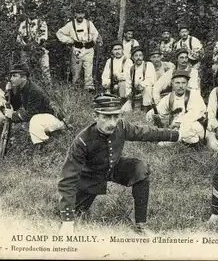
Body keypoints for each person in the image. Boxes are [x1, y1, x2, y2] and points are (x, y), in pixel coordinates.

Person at [57, 94, 198, 235]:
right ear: (95, 116)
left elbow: (146, 133)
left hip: (114, 168)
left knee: (140, 169)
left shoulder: (122, 126)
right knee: (76, 214)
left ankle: (140, 223)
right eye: (106, 117)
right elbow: (68, 179)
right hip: (90, 178)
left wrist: (176, 135)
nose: (112, 123)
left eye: (115, 116)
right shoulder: (82, 141)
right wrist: (67, 221)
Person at [4, 63, 65, 148]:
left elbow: (30, 114)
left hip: (53, 119)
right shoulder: (21, 87)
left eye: (14, 76)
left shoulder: (34, 91)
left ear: (24, 77)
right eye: (11, 76)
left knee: (34, 120)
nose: (11, 79)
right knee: (34, 120)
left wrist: (12, 115)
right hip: (42, 118)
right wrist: (9, 93)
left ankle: (42, 145)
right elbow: (16, 106)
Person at [146, 70, 206, 147]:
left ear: (187, 84)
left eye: (183, 83)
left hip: (196, 126)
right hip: (177, 129)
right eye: (177, 83)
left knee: (187, 126)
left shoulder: (194, 95)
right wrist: (152, 116)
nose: (180, 86)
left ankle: (190, 144)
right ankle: (179, 141)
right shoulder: (169, 98)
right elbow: (159, 111)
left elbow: (193, 115)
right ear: (172, 84)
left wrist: (175, 122)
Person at [56, 5, 99, 92]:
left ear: (84, 14)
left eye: (82, 13)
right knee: (76, 71)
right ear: (75, 14)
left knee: (89, 70)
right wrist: (69, 40)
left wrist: (92, 41)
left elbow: (95, 33)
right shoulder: (71, 24)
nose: (80, 16)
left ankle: (89, 89)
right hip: (77, 49)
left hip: (88, 49)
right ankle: (75, 89)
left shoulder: (89, 23)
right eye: (78, 13)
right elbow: (59, 33)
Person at [16, 3, 51, 83]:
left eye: (33, 10)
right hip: (26, 49)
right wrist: (25, 46)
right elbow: (19, 38)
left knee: (45, 68)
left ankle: (47, 87)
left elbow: (43, 37)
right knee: (25, 69)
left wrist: (36, 47)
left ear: (36, 11)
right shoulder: (23, 24)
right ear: (26, 12)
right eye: (29, 10)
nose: (31, 13)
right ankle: (27, 85)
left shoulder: (41, 23)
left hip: (39, 48)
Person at [125, 46, 156, 113]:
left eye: (140, 55)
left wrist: (141, 85)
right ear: (132, 57)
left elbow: (151, 80)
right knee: (124, 110)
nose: (138, 58)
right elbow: (128, 83)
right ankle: (136, 107)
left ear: (143, 56)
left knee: (147, 88)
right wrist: (129, 93)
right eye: (136, 56)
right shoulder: (131, 68)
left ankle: (145, 110)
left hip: (148, 91)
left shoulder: (148, 65)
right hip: (136, 92)